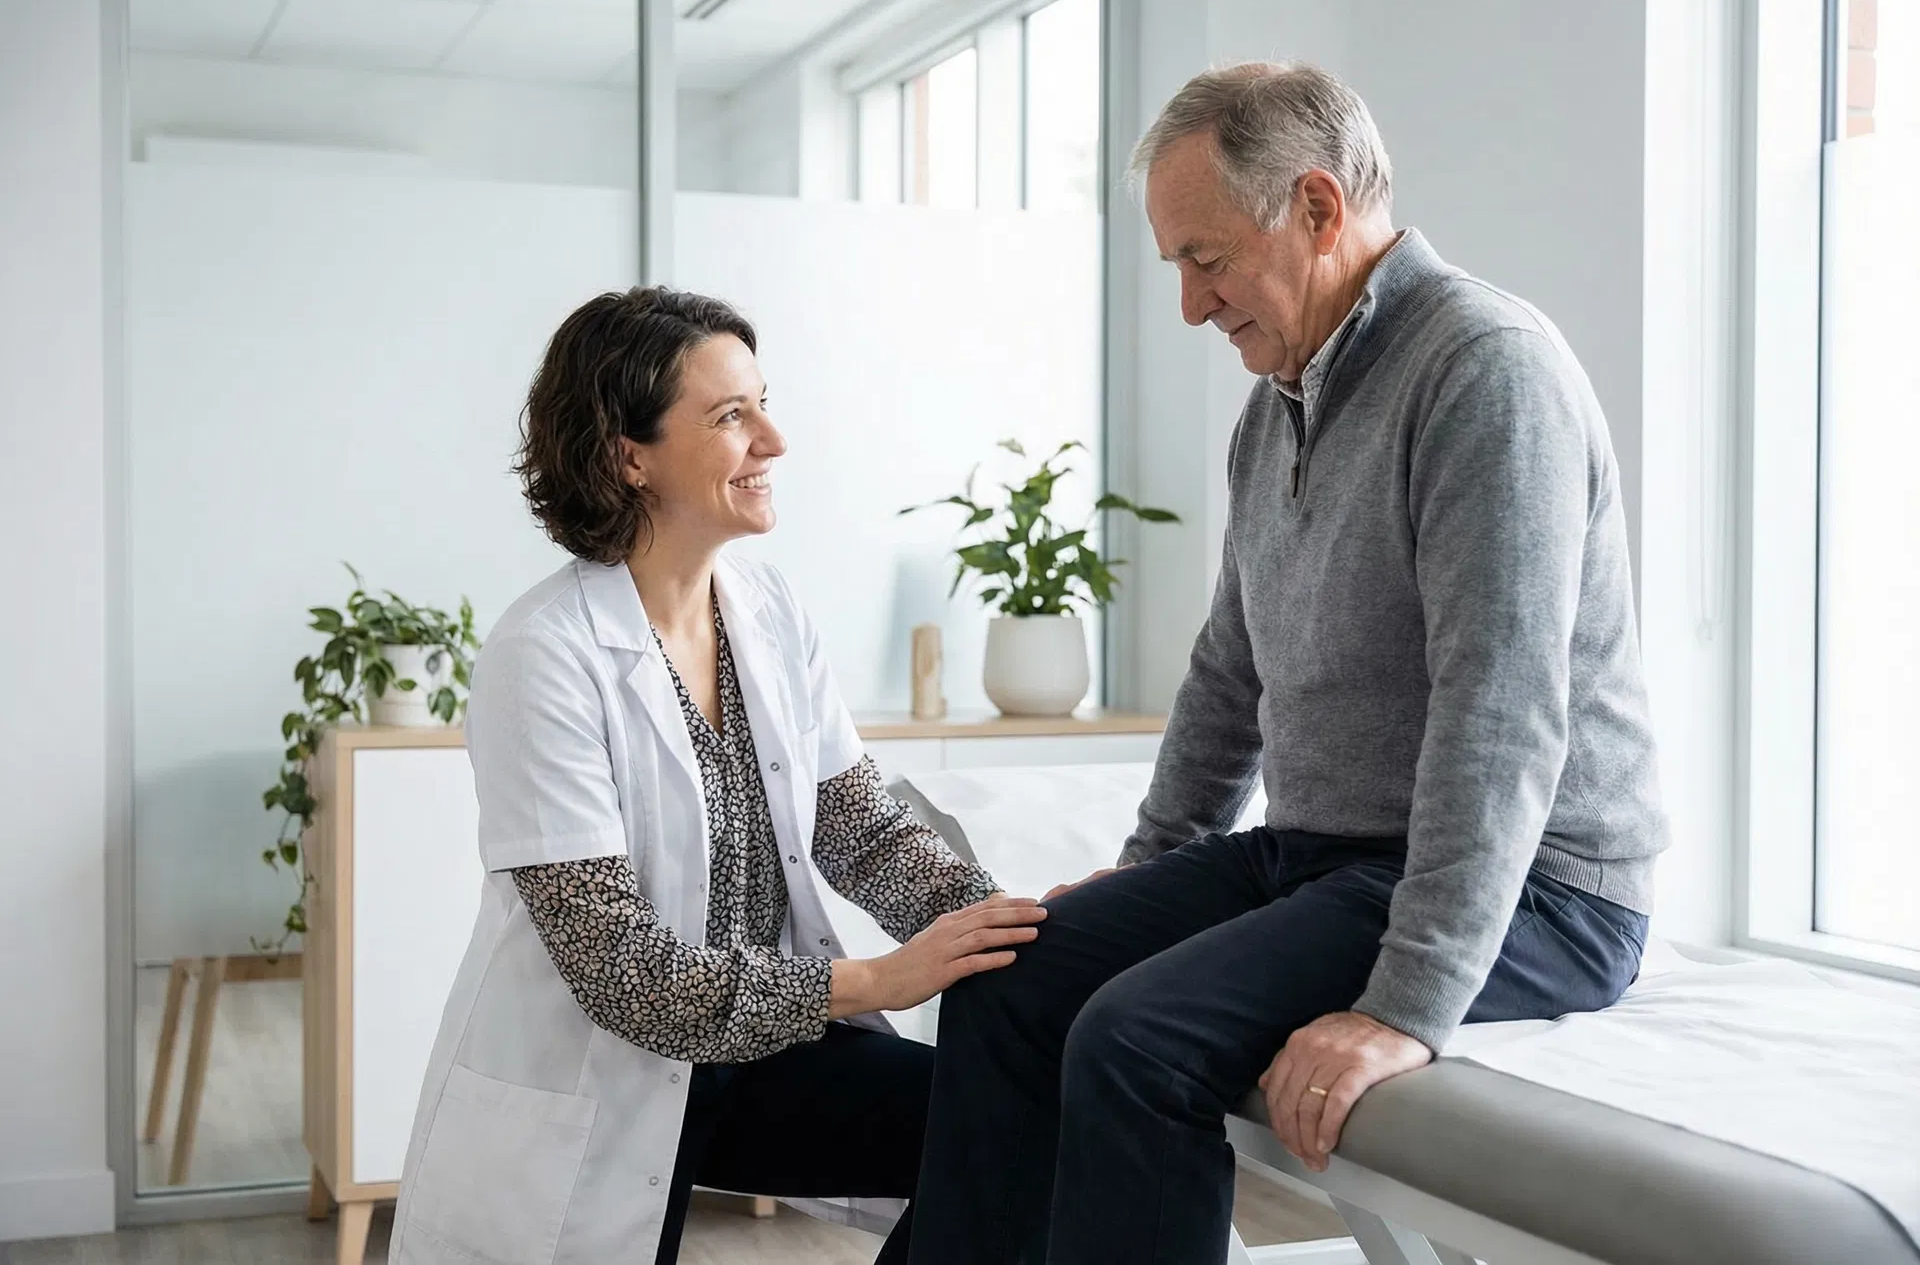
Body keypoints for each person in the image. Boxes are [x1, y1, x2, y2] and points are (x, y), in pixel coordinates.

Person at [908, 62, 1669, 1264]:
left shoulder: (1486, 370)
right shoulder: (1278, 407)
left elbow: (1503, 713)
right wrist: (1136, 886)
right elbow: (1229, 676)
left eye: (1205, 258)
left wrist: (1406, 1006)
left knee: (1135, 1038)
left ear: (1318, 208)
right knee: (1013, 982)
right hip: (1324, 857)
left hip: (1542, 890)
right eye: (1175, 267)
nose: (1191, 307)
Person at [388, 287, 1047, 1265]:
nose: (773, 439)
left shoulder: (767, 608)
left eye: (763, 402)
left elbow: (858, 828)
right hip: (601, 1073)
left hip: (755, 1053)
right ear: (629, 454)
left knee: (1015, 1133)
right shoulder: (545, 655)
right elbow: (623, 971)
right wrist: (877, 977)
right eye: (732, 415)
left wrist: (1008, 928)